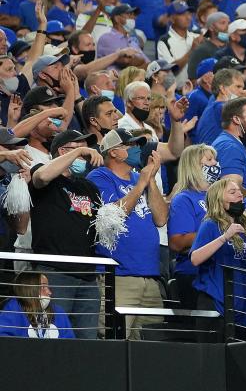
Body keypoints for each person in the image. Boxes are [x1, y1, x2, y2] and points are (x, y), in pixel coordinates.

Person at [86, 129, 167, 340]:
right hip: (119, 276)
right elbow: (112, 215)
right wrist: (141, 184)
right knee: (113, 342)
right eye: (132, 145)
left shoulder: (139, 177)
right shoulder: (99, 176)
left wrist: (151, 180)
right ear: (114, 152)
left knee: (151, 348)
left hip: (150, 277)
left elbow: (161, 218)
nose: (138, 149)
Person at [27, 129, 102, 339]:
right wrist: (76, 154)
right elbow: (41, 176)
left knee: (88, 342)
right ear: (62, 150)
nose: (86, 156)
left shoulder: (88, 186)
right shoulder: (43, 173)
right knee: (53, 336)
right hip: (54, 271)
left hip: (87, 276)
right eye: (80, 149)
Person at [189, 179, 246, 341]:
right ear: (219, 200)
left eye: (239, 191)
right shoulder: (210, 225)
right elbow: (195, 258)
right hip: (216, 304)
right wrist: (224, 237)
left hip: (244, 307)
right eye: (232, 192)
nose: (239, 195)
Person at [168, 144, 219, 309]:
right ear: (194, 166)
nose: (215, 164)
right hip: (193, 274)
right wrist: (216, 234)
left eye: (215, 159)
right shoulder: (184, 199)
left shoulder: (216, 197)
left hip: (216, 273)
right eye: (209, 159)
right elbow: (177, 242)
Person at [0, 273, 75, 339]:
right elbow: (4, 337)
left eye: (48, 287)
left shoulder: (58, 311)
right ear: (29, 289)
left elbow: (70, 344)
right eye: (43, 287)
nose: (49, 292)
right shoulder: (14, 307)